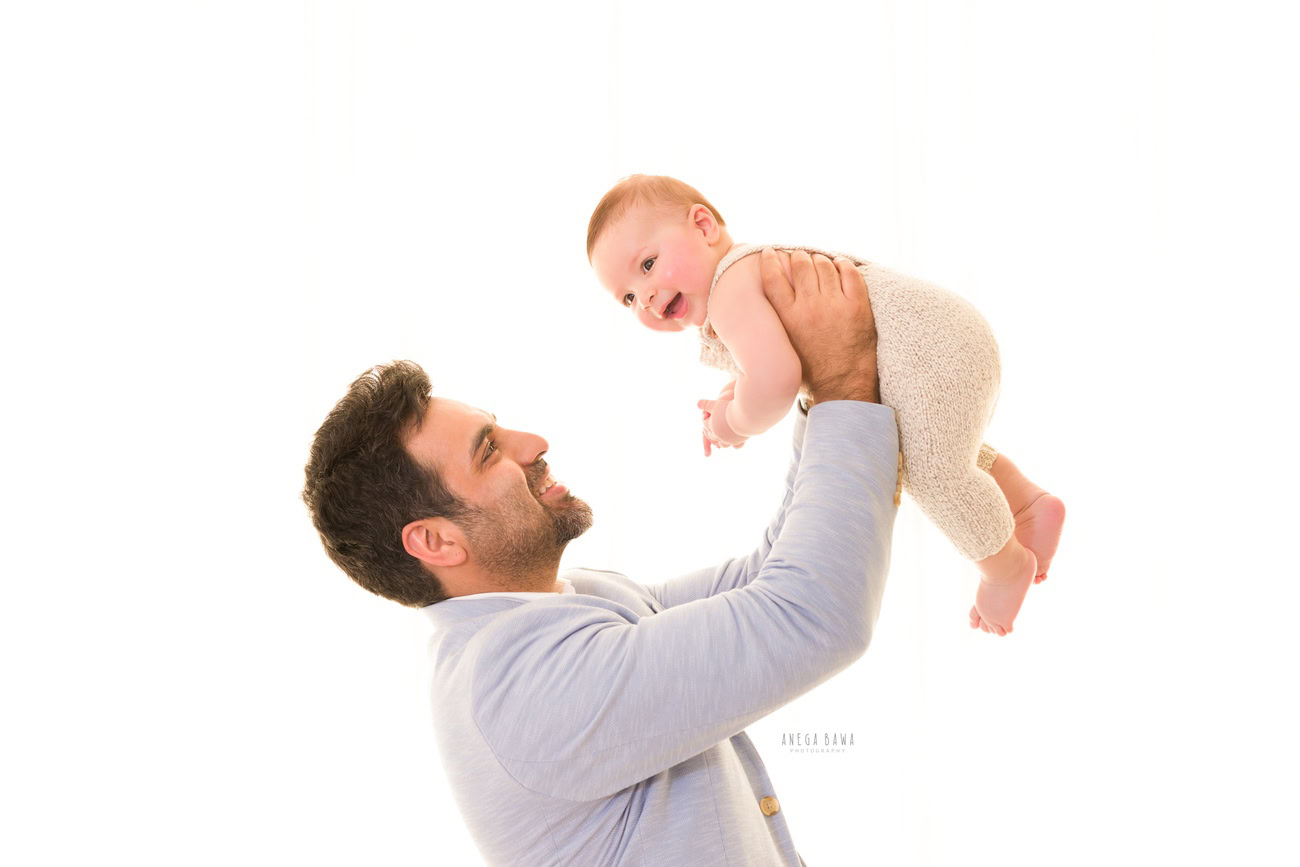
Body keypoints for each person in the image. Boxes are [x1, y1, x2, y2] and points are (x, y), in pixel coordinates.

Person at [302, 251, 895, 866]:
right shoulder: (525, 690)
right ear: (437, 542)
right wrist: (844, 377)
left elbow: (767, 579)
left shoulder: (565, 601)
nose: (533, 444)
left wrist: (814, 396)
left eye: (499, 429)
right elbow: (812, 615)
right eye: (488, 452)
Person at [587, 174, 1066, 636]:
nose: (645, 298)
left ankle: (1004, 566)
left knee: (933, 472)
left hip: (930, 347)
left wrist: (734, 423)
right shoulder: (742, 279)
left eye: (647, 265)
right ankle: (1027, 504)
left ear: (704, 227)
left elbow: (776, 381)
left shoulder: (731, 287)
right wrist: (732, 396)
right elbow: (767, 362)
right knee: (940, 448)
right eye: (627, 297)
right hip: (941, 341)